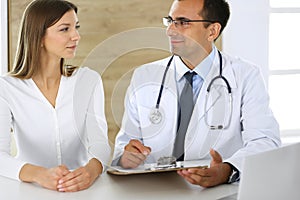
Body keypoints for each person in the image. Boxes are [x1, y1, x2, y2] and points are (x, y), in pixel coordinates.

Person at [112, 0, 281, 187]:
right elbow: (126, 143)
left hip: (216, 193)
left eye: (183, 22)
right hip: (155, 190)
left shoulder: (245, 76)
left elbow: (265, 141)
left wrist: (228, 169)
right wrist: (125, 158)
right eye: (170, 21)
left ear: (212, 31)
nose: (170, 30)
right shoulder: (145, 76)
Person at [0, 0, 111, 192]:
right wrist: (39, 174)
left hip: (84, 190)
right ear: (39, 36)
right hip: (30, 191)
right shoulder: (6, 88)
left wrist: (91, 171)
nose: (76, 36)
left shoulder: (88, 80)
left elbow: (100, 142)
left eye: (75, 27)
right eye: (64, 29)